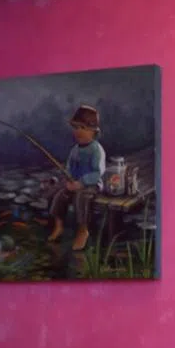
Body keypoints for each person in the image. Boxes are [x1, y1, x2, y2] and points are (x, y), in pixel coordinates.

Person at [48, 104, 105, 251]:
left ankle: (82, 231)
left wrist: (82, 183)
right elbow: (69, 167)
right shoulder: (74, 150)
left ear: (94, 131)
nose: (78, 131)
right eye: (76, 127)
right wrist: (68, 177)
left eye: (83, 128)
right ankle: (59, 226)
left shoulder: (96, 149)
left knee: (81, 197)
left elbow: (98, 172)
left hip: (91, 185)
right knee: (60, 195)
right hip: (74, 183)